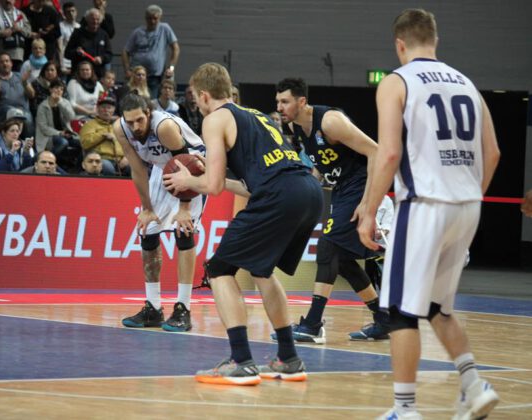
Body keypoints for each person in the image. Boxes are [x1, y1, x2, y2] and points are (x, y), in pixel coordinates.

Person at [355, 9, 501, 420]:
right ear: (434, 41)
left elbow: (388, 153)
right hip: (467, 206)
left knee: (399, 312)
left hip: (423, 205)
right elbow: (493, 153)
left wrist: (368, 210)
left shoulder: (396, 82)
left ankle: (404, 410)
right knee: (438, 307)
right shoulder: (468, 84)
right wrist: (467, 197)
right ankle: (475, 384)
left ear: (399, 45)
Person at [163, 63, 323, 385]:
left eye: (195, 97)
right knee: (262, 271)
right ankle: (289, 358)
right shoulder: (255, 116)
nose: (196, 103)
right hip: (308, 192)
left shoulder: (214, 119)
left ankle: (241, 360)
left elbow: (215, 186)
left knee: (219, 269)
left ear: (204, 95)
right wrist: (207, 171)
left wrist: (188, 179)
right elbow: (247, 185)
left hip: (279, 194)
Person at [274, 77, 388, 343]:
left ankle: (313, 324)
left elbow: (376, 152)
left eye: (285, 101)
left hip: (361, 185)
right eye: (277, 101)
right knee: (344, 259)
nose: (279, 106)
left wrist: (367, 203)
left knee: (326, 247)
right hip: (342, 188)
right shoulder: (296, 127)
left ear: (301, 102)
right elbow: (320, 165)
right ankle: (384, 320)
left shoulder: (329, 121)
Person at [112, 93, 206, 333]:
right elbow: (137, 169)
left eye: (140, 120)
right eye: (130, 121)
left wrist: (184, 208)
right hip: (161, 168)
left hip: (192, 167)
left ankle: (183, 308)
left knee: (182, 231)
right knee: (148, 232)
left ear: (149, 114)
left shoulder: (163, 127)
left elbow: (184, 164)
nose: (135, 127)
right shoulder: (121, 129)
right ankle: (153, 308)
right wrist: (146, 209)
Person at [121, 4, 179, 99]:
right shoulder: (138, 32)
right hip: (137, 76)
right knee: (134, 99)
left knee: (151, 101)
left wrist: (171, 68)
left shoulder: (165, 29)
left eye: (155, 18)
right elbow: (125, 52)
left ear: (160, 18)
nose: (152, 21)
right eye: (149, 18)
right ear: (145, 18)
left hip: (154, 77)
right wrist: (127, 70)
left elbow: (176, 48)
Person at [0, 52, 34, 138]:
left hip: (23, 111)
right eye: (2, 62)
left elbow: (32, 95)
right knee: (18, 114)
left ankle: (28, 147)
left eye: (7, 61)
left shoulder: (20, 76)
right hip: (4, 112)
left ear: (11, 64)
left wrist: (25, 83)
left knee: (27, 117)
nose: (5, 63)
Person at [81, 93, 127, 176]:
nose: (106, 110)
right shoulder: (89, 125)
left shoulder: (120, 126)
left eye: (109, 107)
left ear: (113, 110)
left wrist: (127, 157)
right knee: (108, 168)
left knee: (136, 168)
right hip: (101, 158)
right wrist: (102, 135)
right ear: (97, 109)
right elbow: (85, 144)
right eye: (103, 107)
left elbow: (129, 145)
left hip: (121, 159)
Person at [0, 0, 32, 70]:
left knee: (15, 79)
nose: (8, 1)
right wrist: (1, 33)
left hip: (16, 56)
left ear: (15, 1)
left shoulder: (21, 14)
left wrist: (19, 29)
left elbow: (29, 32)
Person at [35, 79, 78, 157]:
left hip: (66, 134)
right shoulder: (43, 106)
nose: (59, 90)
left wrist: (60, 103)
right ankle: (47, 158)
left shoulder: (65, 102)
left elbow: (71, 118)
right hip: (48, 136)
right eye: (56, 88)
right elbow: (44, 128)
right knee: (63, 142)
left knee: (81, 143)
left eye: (61, 89)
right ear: (50, 89)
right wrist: (60, 133)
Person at [64, 8, 111, 78]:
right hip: (79, 75)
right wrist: (76, 52)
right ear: (87, 19)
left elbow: (109, 54)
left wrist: (102, 59)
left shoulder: (104, 35)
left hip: (98, 75)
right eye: (93, 19)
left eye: (97, 19)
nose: (95, 22)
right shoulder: (77, 33)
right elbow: (67, 53)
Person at [58, 1, 79, 77]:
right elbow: (59, 47)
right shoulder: (61, 26)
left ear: (76, 12)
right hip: (64, 62)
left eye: (73, 11)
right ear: (64, 14)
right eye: (68, 11)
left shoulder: (79, 27)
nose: (71, 13)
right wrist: (61, 65)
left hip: (76, 62)